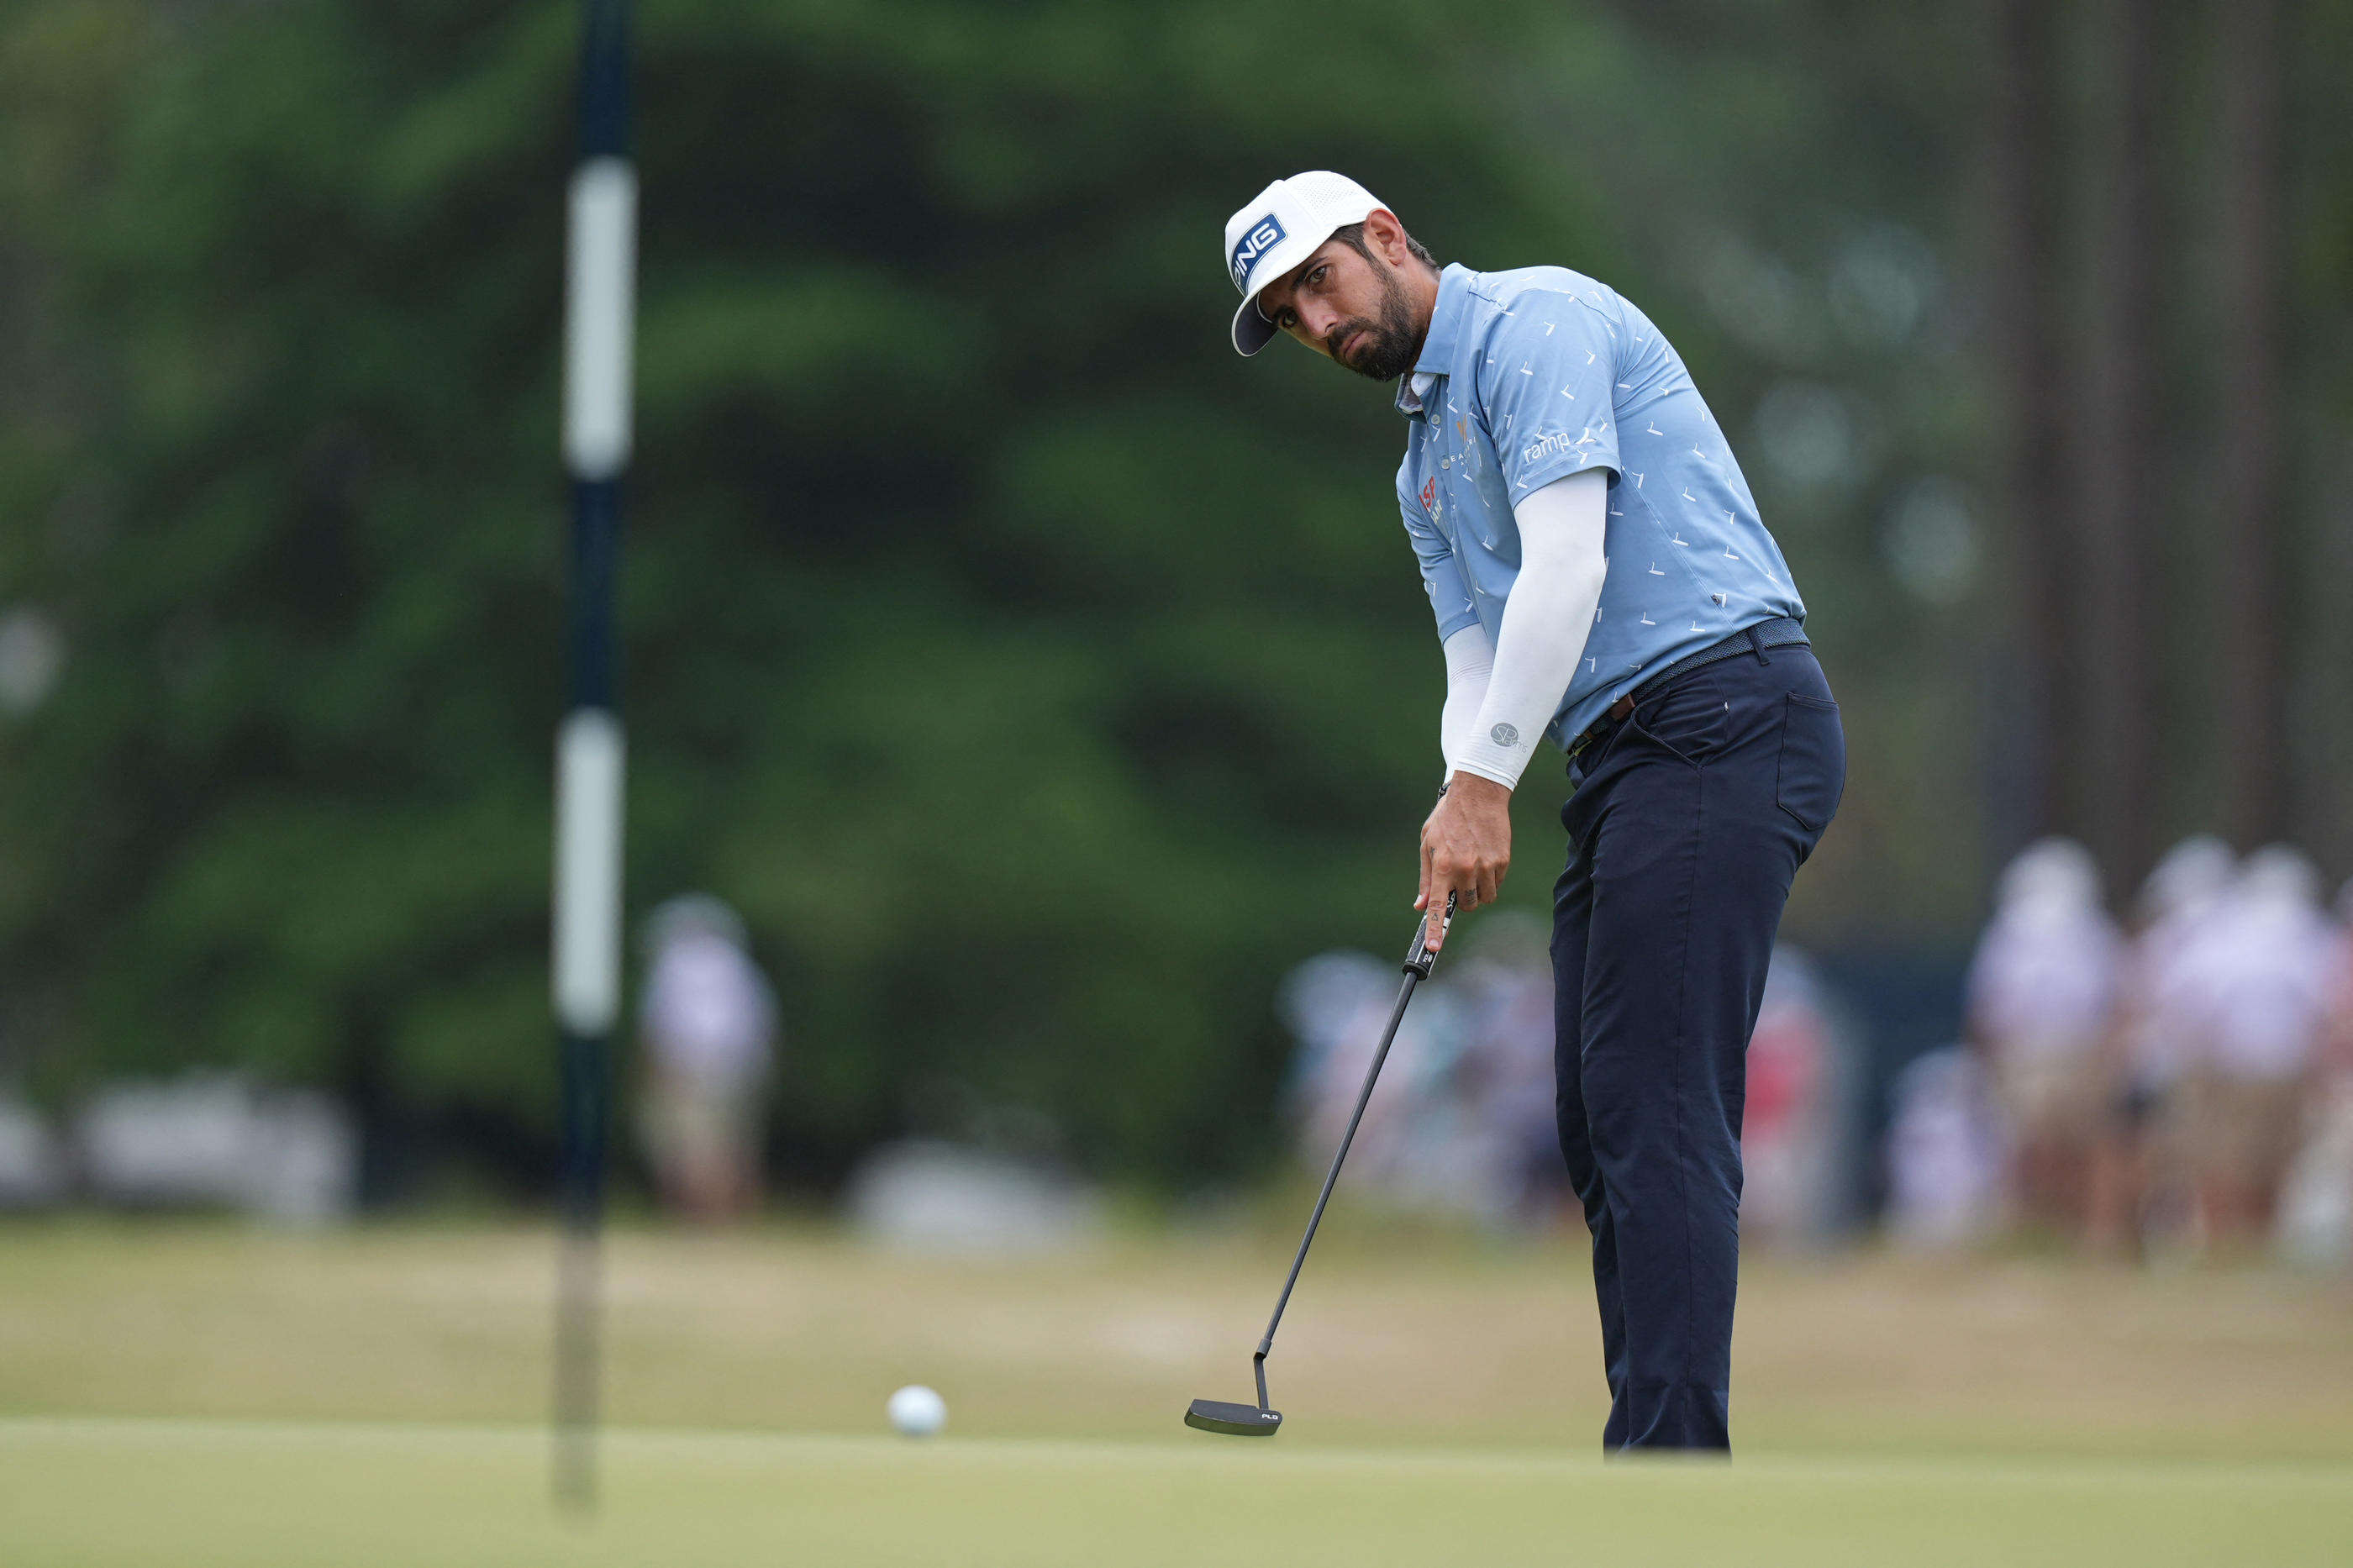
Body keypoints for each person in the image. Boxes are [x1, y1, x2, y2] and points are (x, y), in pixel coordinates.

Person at [1224, 172, 1845, 1452]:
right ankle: (1656, 1436)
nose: (1318, 322)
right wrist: (1457, 793)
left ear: (1385, 236)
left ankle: (1671, 1464)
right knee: (1595, 1107)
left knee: (1659, 1104)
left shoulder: (1536, 322)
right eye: (1288, 314)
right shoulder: (1421, 471)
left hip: (1727, 710)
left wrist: (1486, 786)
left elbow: (1569, 564)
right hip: (1627, 757)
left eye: (1321, 280)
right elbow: (1476, 662)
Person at [1961, 838, 2123, 1239]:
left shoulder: (2014, 933)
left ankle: (2050, 1226)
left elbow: (1987, 1005)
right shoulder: (2092, 932)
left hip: (2039, 1053)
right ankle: (2060, 1227)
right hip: (2059, 1051)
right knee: (2062, 1147)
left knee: (2038, 1146)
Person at [635, 895, 778, 1221]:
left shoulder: (674, 966)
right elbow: (763, 1024)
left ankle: (700, 1220)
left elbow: (661, 1025)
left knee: (692, 1145)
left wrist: (655, 1071)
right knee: (735, 1144)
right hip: (742, 1068)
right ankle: (732, 1218)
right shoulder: (740, 967)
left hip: (688, 1067)